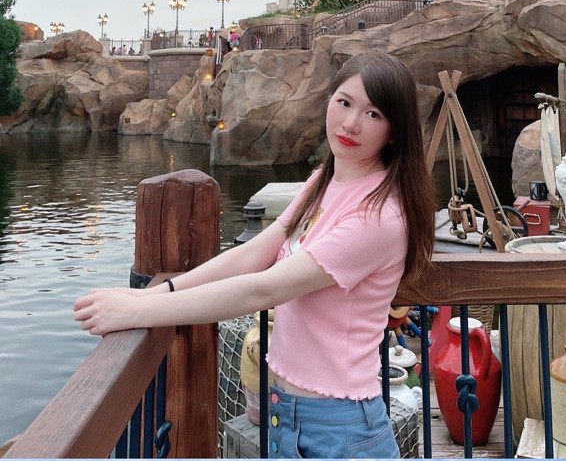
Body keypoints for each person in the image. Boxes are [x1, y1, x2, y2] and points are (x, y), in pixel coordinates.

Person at [73, 51, 436, 459]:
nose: (351, 123)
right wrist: (153, 294)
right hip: (288, 417)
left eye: (373, 114)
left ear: (394, 131)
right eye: (344, 102)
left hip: (341, 430)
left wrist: (137, 313)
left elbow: (264, 289)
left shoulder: (380, 217)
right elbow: (254, 254)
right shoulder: (324, 181)